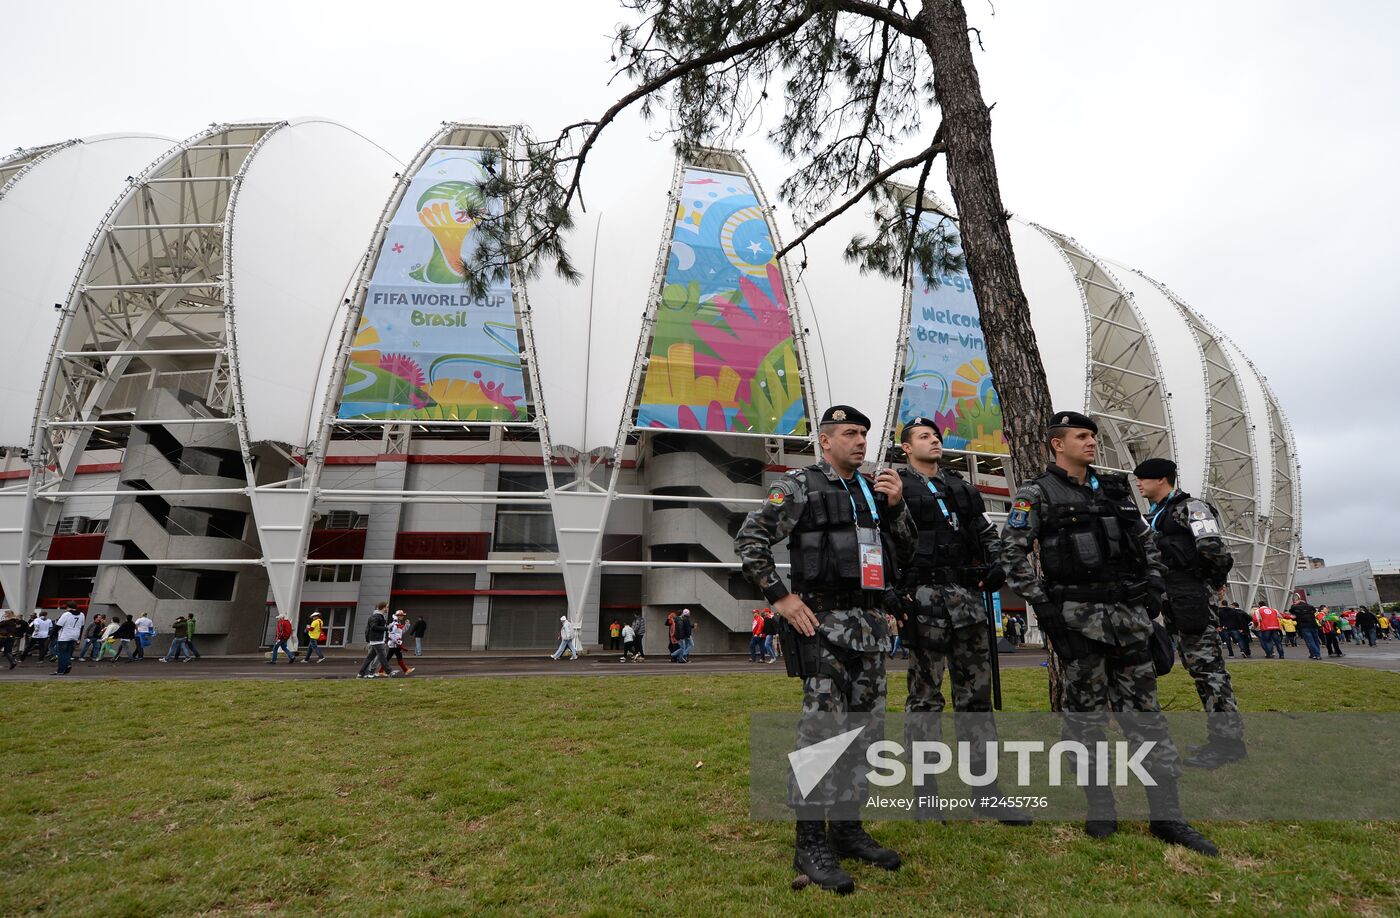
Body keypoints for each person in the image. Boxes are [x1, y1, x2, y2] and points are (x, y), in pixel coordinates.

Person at [1002, 411, 1217, 856]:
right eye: (1082, 437)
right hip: (1079, 620)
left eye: (1093, 436)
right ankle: (1099, 805)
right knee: (1085, 721)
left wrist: (1155, 586)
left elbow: (1148, 542)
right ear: (1057, 444)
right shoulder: (1036, 493)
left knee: (1147, 719)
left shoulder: (1116, 489)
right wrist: (1042, 606)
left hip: (1130, 617)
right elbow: (1011, 551)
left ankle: (1167, 814)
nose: (1092, 443)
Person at [735, 404, 918, 894]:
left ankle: (848, 829)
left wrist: (898, 506)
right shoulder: (798, 486)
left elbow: (907, 549)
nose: (861, 441)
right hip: (823, 628)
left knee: (864, 733)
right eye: (850, 434)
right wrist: (782, 598)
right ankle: (810, 840)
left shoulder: (874, 490)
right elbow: (750, 539)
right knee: (821, 736)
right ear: (826, 440)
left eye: (864, 433)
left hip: (870, 629)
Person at [895, 416, 1029, 824]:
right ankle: (926, 793)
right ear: (906, 447)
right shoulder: (895, 488)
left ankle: (986, 790)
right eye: (923, 436)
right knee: (925, 700)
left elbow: (986, 531)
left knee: (976, 699)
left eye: (935, 435)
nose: (933, 440)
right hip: (923, 602)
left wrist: (999, 565)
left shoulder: (961, 487)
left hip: (967, 602)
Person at [1134, 457, 1245, 769]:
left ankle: (1227, 743)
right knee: (1198, 669)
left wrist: (1215, 581)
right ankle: (1223, 738)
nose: (1139, 484)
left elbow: (1213, 548)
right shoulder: (1156, 514)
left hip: (1191, 594)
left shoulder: (1191, 508)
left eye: (1143, 479)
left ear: (1161, 480)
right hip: (1173, 598)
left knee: (1209, 671)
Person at [357, 602, 391, 678]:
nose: (388, 609)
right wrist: (387, 628)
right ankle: (390, 672)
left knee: (370, 658)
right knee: (382, 657)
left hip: (376, 640)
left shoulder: (380, 616)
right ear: (383, 607)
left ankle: (363, 673)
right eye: (387, 607)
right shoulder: (376, 617)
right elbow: (374, 627)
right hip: (376, 641)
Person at [51, 605, 84, 675]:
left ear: (69, 607)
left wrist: (52, 635)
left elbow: (58, 625)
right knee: (68, 653)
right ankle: (66, 666)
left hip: (64, 636)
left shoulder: (66, 614)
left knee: (61, 653)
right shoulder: (82, 614)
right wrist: (79, 637)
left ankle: (62, 669)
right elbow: (82, 626)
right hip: (74, 636)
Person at [382, 611, 415, 676]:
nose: (403, 617)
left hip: (394, 643)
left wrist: (407, 625)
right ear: (398, 616)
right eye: (402, 615)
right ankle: (406, 670)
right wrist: (396, 641)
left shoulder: (397, 623)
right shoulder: (394, 624)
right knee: (398, 657)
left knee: (388, 658)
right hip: (394, 644)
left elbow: (401, 632)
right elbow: (391, 634)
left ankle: (381, 671)